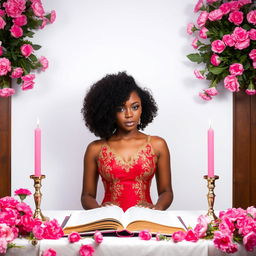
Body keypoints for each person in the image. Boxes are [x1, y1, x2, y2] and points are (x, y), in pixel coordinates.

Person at [81, 72, 173, 211]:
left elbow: (166, 191)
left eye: (135, 107)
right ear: (108, 111)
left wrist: (156, 209)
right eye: (120, 109)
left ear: (143, 108)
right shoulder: (95, 149)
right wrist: (100, 211)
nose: (129, 114)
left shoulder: (157, 145)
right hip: (109, 221)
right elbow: (87, 196)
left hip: (145, 221)